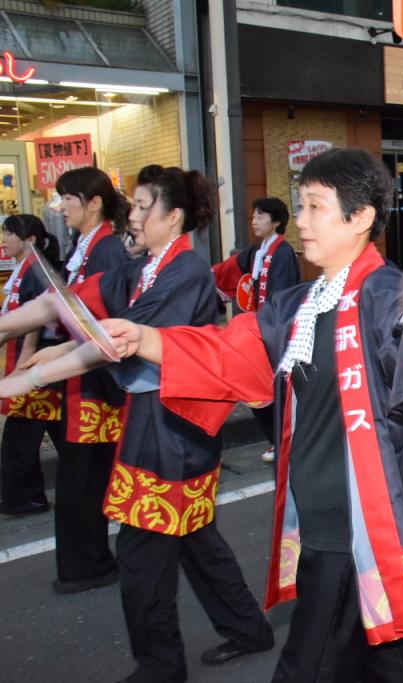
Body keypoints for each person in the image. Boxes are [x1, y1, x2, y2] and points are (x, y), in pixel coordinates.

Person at [95, 148, 403, 681]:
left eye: (314, 206)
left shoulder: (381, 290)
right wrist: (144, 338)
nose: (299, 220)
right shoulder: (300, 302)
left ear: (361, 218)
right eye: (300, 205)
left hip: (357, 523)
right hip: (317, 511)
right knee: (384, 661)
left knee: (309, 665)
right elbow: (230, 351)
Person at [0, 167, 276, 682]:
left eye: (143, 203)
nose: (132, 212)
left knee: (142, 552)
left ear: (172, 217)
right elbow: (61, 303)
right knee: (194, 537)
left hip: (174, 429)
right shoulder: (141, 267)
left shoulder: (186, 271)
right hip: (154, 422)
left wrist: (22, 382)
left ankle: (160, 666)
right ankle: (247, 630)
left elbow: (111, 345)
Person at [50, 167, 129, 593]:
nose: (62, 208)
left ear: (93, 202)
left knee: (84, 479)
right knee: (80, 478)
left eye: (68, 199)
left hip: (96, 384)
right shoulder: (87, 245)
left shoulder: (107, 250)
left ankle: (91, 563)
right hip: (82, 377)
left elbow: (106, 320)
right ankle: (86, 561)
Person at [211, 196, 300, 461]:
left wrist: (268, 331)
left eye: (260, 216)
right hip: (258, 330)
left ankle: (284, 440)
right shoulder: (258, 250)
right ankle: (278, 439)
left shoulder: (282, 252)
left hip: (273, 332)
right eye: (253, 216)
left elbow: (281, 297)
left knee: (268, 389)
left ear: (276, 221)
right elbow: (232, 270)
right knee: (255, 388)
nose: (254, 221)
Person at [0, 215, 63, 516]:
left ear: (30, 240)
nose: (4, 239)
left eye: (10, 233)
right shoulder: (24, 271)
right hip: (40, 365)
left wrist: (22, 368)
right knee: (59, 432)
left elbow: (35, 326)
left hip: (41, 364)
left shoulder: (36, 273)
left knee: (20, 435)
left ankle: (26, 498)